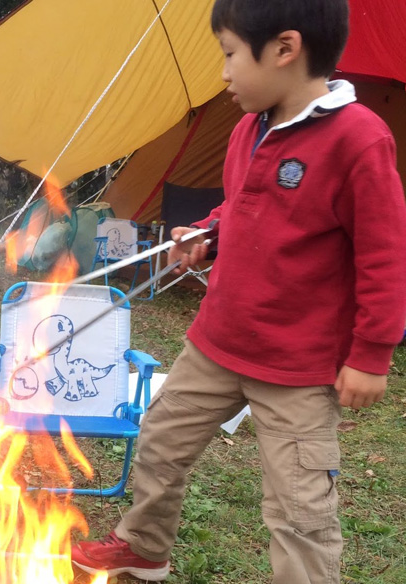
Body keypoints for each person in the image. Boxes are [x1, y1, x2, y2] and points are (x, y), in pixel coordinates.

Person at [71, 0, 406, 582]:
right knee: (159, 442)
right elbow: (246, 209)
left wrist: (371, 355)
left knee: (300, 505)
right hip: (217, 343)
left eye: (229, 54)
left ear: (284, 49)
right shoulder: (249, 128)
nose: (223, 73)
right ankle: (145, 547)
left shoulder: (359, 139)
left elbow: (385, 255)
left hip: (299, 367)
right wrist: (208, 234)